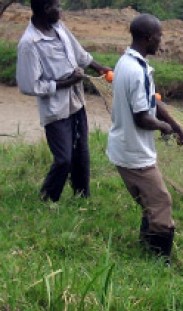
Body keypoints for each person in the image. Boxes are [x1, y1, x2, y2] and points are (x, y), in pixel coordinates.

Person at [107, 13, 183, 263]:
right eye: (159, 36)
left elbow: (151, 101)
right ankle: (158, 261)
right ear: (148, 37)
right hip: (134, 154)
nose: (161, 41)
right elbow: (142, 117)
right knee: (161, 202)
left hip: (124, 148)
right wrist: (164, 127)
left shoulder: (126, 62)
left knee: (150, 203)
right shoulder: (137, 70)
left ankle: (145, 249)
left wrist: (176, 126)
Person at [16, 0, 111, 202]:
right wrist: (68, 82)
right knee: (63, 159)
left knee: (81, 153)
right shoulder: (29, 43)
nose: (60, 10)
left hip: (76, 101)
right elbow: (29, 85)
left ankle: (82, 195)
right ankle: (47, 198)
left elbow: (80, 54)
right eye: (56, 7)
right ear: (44, 9)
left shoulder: (59, 27)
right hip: (55, 107)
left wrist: (101, 68)